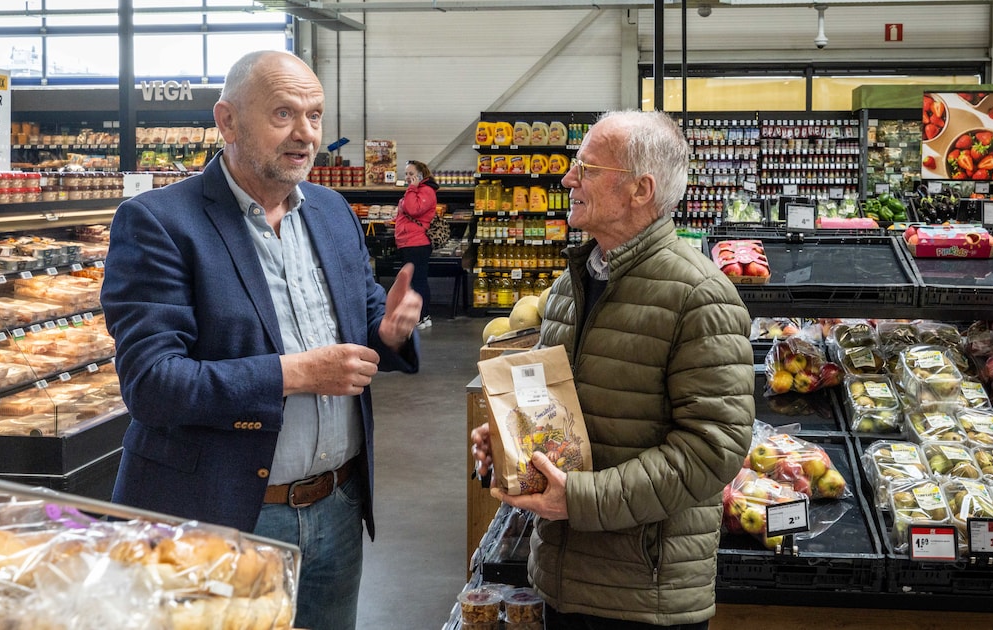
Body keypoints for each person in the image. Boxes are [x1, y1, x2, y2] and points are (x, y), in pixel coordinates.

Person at [101, 50, 422, 630]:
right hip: (222, 518)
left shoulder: (330, 211)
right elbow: (153, 384)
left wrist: (391, 330)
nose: (306, 134)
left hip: (338, 506)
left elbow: (366, 317)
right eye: (283, 114)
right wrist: (296, 373)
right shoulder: (158, 222)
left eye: (316, 115)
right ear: (227, 121)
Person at [470, 110, 755, 629]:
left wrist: (579, 500)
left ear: (640, 190)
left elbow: (714, 450)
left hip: (644, 596)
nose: (567, 179)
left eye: (586, 167)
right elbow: (565, 416)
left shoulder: (700, 296)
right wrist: (513, 441)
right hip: (561, 579)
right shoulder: (569, 286)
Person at [394, 160, 439, 329]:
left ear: (421, 175)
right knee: (415, 280)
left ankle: (421, 316)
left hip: (417, 243)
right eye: (406, 174)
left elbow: (413, 210)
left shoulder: (426, 191)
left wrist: (412, 188)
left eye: (411, 174)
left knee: (418, 281)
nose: (407, 177)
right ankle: (423, 316)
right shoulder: (416, 190)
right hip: (408, 241)